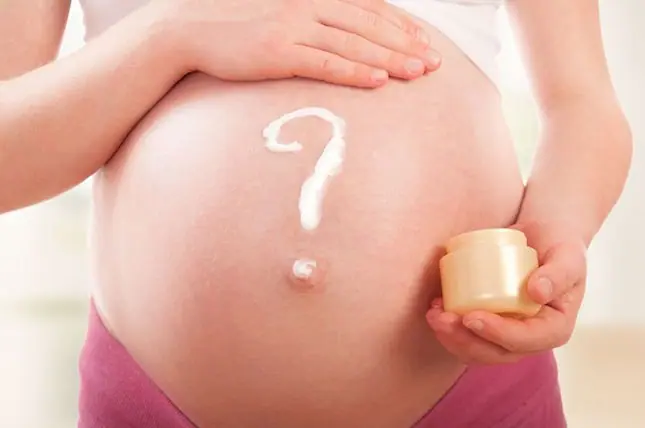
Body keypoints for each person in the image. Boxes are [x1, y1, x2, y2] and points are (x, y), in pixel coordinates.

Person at [0, 0, 632, 426]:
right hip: (155, 394)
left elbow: (582, 104)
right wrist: (171, 32)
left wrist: (558, 229)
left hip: (469, 386)